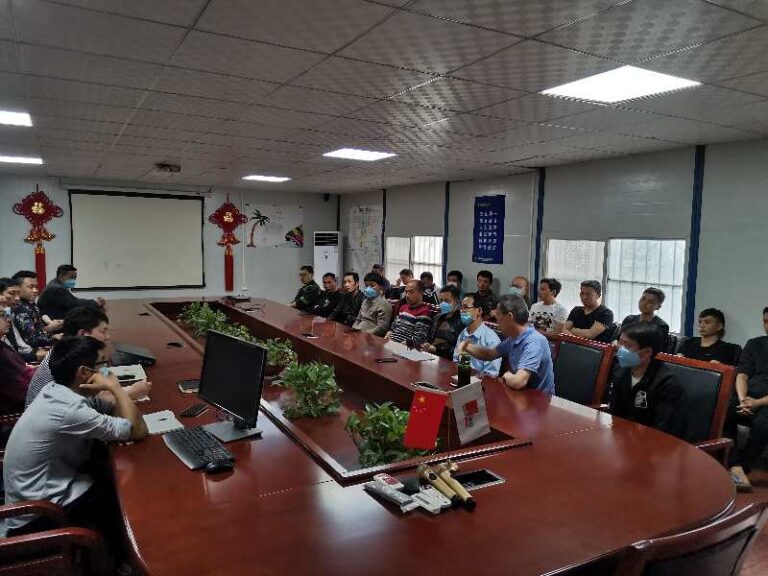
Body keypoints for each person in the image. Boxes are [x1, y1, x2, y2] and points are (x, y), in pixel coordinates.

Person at [2, 336, 148, 544]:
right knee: (121, 492)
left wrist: (119, 413)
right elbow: (138, 430)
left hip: (33, 499)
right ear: (84, 373)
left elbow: (113, 413)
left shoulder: (54, 390)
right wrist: (115, 388)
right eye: (103, 365)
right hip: (39, 515)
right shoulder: (69, 410)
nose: (108, 371)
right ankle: (117, 555)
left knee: (106, 465)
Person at [26, 306, 150, 409]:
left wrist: (107, 373)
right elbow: (89, 404)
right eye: (103, 331)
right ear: (82, 334)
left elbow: (99, 379)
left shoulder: (65, 349)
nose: (107, 337)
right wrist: (130, 393)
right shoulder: (68, 360)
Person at [457, 294, 554, 393]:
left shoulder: (534, 341)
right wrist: (466, 346)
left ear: (509, 316)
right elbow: (489, 354)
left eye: (498, 316)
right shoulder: (513, 338)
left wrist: (506, 375)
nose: (497, 321)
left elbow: (519, 382)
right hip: (521, 395)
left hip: (540, 399)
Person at [608, 321, 686, 438]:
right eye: (620, 342)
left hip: (653, 443)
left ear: (647, 352)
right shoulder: (620, 371)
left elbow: (663, 430)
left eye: (627, 346)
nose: (620, 349)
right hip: (622, 437)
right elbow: (615, 413)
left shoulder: (667, 384)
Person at [724, 308, 768, 491]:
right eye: (765, 321)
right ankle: (734, 464)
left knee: (762, 424)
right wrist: (743, 399)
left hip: (765, 403)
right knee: (724, 410)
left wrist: (758, 403)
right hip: (749, 396)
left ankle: (744, 466)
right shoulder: (755, 344)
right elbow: (742, 374)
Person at [453, 293, 501, 377]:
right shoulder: (463, 333)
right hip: (462, 377)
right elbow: (456, 360)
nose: (461, 311)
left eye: (466, 307)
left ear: (479, 311)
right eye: (461, 307)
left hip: (480, 382)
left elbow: (490, 375)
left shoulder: (491, 339)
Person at [12, 270, 63, 348]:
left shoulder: (31, 305)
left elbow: (38, 328)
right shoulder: (19, 309)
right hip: (33, 351)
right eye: (31, 287)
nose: (35, 290)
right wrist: (51, 332)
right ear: (17, 288)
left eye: (36, 287)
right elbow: (33, 340)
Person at [37, 264, 105, 320]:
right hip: (51, 322)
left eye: (75, 278)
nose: (74, 280)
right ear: (61, 276)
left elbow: (73, 300)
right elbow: (74, 303)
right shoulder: (57, 289)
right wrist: (95, 303)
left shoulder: (55, 283)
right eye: (71, 277)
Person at [1, 277, 44, 363]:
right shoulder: (19, 311)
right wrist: (35, 355)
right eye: (12, 293)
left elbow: (19, 347)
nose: (17, 298)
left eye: (18, 294)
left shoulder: (10, 313)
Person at [0, 306, 33, 414]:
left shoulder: (2, 344)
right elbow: (20, 391)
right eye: (2, 316)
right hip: (14, 410)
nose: (9, 319)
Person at [385, 280, 433, 348]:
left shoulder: (424, 311)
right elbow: (394, 326)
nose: (407, 295)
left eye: (411, 292)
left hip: (403, 348)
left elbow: (420, 338)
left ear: (421, 292)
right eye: (406, 292)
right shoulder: (403, 307)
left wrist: (401, 345)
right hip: (391, 344)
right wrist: (389, 333)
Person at [421, 285, 463, 359]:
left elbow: (458, 348)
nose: (443, 304)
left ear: (456, 301)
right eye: (441, 301)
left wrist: (436, 349)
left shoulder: (462, 321)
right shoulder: (438, 317)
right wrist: (427, 344)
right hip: (431, 356)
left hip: (447, 360)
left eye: (446, 301)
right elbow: (430, 337)